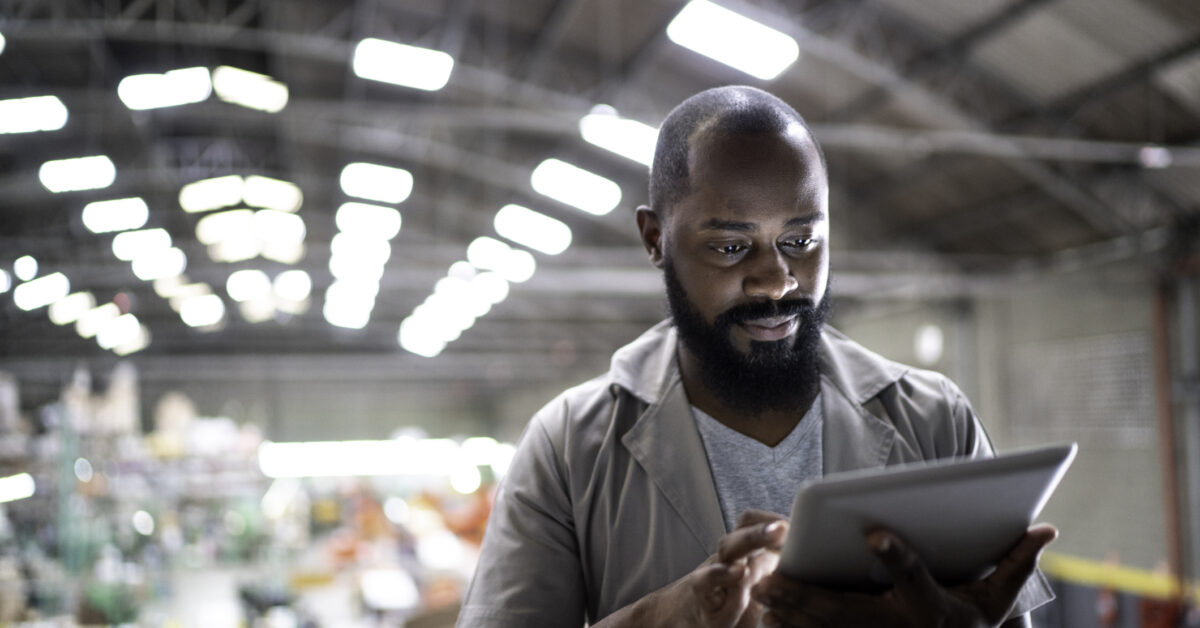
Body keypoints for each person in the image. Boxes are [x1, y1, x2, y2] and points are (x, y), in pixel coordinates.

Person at [456, 85, 1057, 628]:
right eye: (730, 246)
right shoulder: (569, 447)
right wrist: (673, 615)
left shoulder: (934, 420)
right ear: (654, 239)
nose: (775, 281)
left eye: (801, 242)